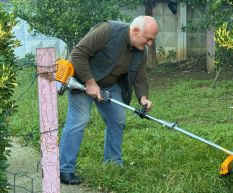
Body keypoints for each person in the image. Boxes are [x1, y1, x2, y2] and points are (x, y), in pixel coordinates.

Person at [59, 16, 159, 185]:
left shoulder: (141, 51)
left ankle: (112, 163)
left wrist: (143, 99)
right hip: (82, 81)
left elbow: (140, 78)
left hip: (109, 85)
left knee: (117, 119)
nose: (150, 43)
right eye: (148, 39)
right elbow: (78, 54)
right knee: (79, 120)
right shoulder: (108, 30)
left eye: (152, 40)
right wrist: (90, 83)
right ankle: (65, 169)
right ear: (135, 31)